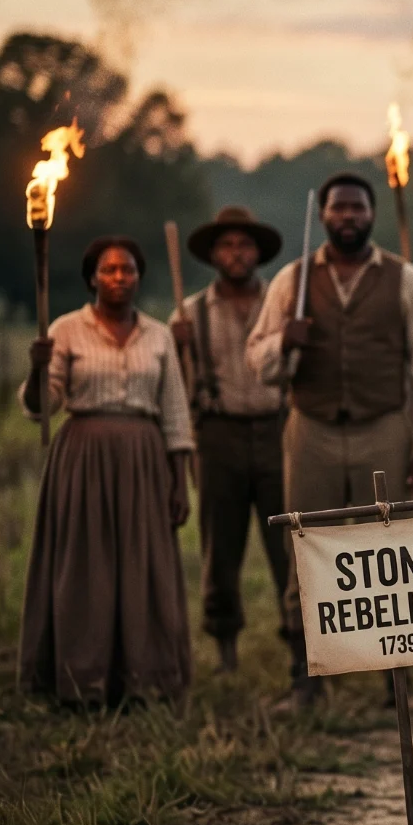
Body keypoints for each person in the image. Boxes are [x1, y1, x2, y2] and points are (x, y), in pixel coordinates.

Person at [243, 172, 413, 711]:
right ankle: (305, 683)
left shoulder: (404, 280)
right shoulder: (294, 279)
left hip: (384, 425)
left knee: (392, 555)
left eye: (358, 208)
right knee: (305, 548)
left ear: (372, 214)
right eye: (339, 209)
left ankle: (398, 687)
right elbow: (259, 360)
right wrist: (281, 345)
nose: (348, 217)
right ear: (326, 215)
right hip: (310, 427)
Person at [21, 236, 196, 705]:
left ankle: (145, 680)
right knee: (85, 567)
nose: (120, 278)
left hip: (143, 457)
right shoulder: (65, 329)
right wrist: (37, 372)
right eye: (110, 270)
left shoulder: (158, 335)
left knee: (144, 565)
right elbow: (46, 406)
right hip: (84, 457)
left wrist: (180, 481)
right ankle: (83, 681)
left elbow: (175, 412)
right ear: (92, 278)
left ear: (139, 277)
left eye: (128, 270)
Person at [169, 206, 293, 674]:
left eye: (245, 245)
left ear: (258, 252)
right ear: (213, 254)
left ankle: (298, 644)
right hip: (217, 434)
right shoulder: (188, 314)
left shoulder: (281, 304)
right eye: (227, 245)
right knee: (220, 547)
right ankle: (225, 649)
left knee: (287, 542)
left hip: (277, 428)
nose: (237, 253)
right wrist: (177, 345)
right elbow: (178, 391)